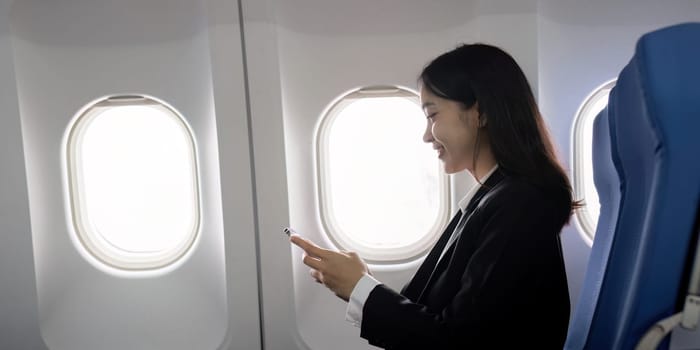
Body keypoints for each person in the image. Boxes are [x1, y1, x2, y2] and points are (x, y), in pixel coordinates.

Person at [290, 43, 574, 349]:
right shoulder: (490, 199)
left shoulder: (520, 204)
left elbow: (456, 341)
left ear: (481, 112)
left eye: (433, 115)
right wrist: (359, 282)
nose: (427, 135)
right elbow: (435, 316)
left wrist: (360, 288)